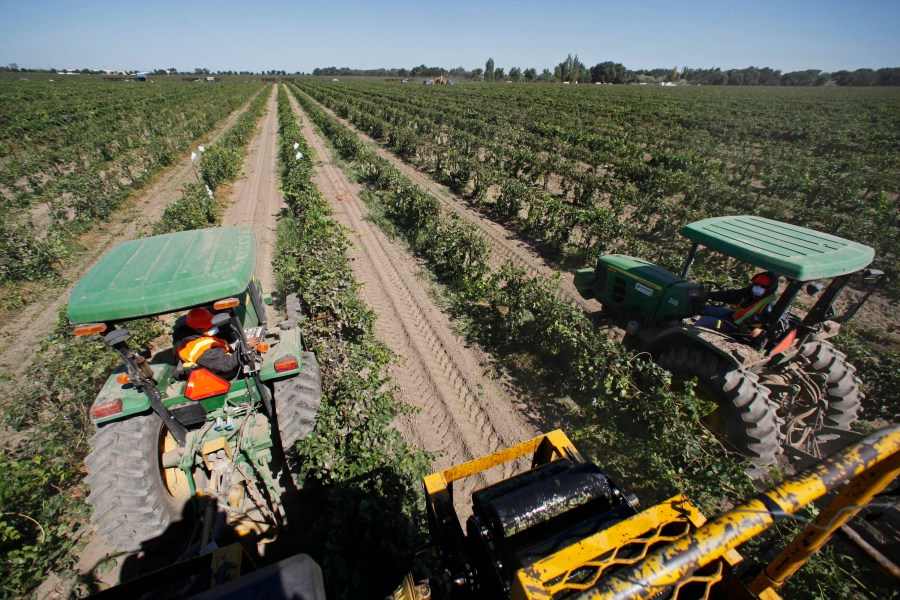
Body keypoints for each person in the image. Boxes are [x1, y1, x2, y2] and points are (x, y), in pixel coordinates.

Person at [174, 308, 257, 379]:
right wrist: (245, 347)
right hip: (219, 376)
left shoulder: (190, 337)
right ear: (197, 329)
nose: (212, 327)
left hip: (217, 363)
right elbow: (226, 364)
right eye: (209, 326)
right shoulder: (203, 350)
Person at [696, 271, 780, 333]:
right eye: (756, 284)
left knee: (704, 321)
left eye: (762, 286)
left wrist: (755, 319)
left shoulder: (772, 302)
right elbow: (730, 296)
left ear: (769, 288)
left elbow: (775, 321)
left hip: (742, 329)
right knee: (707, 309)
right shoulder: (749, 292)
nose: (758, 288)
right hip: (733, 317)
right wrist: (707, 295)